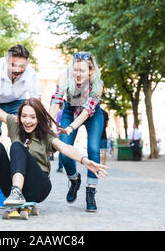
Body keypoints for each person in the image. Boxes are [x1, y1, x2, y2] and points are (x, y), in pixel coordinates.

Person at [0, 58, 108, 211]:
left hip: (39, 187)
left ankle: (17, 192)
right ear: (19, 116)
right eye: (24, 116)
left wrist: (84, 160)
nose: (27, 121)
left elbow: (64, 148)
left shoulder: (45, 134)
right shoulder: (15, 125)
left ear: (38, 118)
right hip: (11, 186)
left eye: (32, 117)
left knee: (17, 146)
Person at [0, 44, 41, 208]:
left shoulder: (31, 74)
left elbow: (37, 105)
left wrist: (28, 121)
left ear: (27, 64)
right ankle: (1, 191)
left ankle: (21, 188)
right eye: (13, 65)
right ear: (7, 61)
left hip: (17, 103)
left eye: (22, 66)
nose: (17, 69)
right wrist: (9, 119)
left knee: (22, 143)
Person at [49, 51, 105, 212]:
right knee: (65, 152)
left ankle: (91, 191)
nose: (78, 74)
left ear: (91, 71)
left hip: (92, 115)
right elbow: (56, 100)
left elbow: (87, 112)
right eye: (76, 70)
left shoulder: (97, 85)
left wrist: (71, 127)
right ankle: (74, 180)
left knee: (93, 149)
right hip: (69, 111)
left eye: (82, 71)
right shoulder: (64, 78)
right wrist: (48, 122)